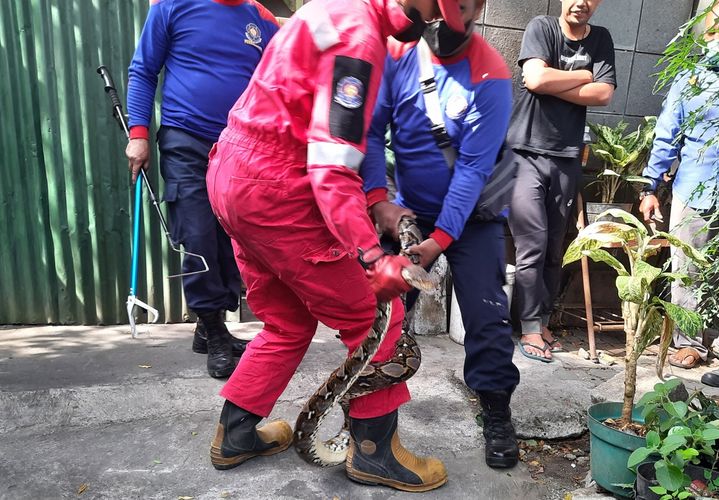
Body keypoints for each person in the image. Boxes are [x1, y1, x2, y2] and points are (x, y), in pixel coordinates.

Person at [205, 0, 466, 491]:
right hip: (278, 187)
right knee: (372, 318)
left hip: (234, 174)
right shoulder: (359, 39)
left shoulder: (333, 8)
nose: (435, 20)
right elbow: (330, 168)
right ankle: (374, 454)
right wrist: (371, 255)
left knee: (286, 320)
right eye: (438, 9)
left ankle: (235, 434)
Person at [359, 0, 519, 469]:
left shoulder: (491, 75)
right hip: (406, 212)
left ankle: (496, 411)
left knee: (487, 317)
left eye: (466, 9)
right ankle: (370, 415)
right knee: (382, 310)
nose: (450, 22)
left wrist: (438, 242)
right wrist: (377, 200)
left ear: (480, 8)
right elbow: (371, 132)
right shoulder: (399, 56)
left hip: (472, 218)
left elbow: (472, 169)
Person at [125, 0, 280, 378]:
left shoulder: (260, 17)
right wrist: (139, 135)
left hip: (242, 146)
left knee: (233, 238)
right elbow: (143, 71)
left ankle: (207, 327)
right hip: (186, 140)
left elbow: (281, 78)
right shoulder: (173, 6)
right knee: (196, 235)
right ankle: (214, 331)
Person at [639, 0, 719, 386]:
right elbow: (668, 136)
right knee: (688, 270)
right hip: (691, 189)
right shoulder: (688, 80)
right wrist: (651, 187)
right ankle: (689, 342)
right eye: (714, 31)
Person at [506, 0, 616, 362]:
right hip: (524, 154)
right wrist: (585, 75)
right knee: (532, 243)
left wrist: (555, 81)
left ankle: (544, 319)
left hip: (567, 157)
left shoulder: (600, 38)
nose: (581, 2)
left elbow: (603, 93)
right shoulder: (542, 26)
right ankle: (530, 328)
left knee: (555, 246)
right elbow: (533, 78)